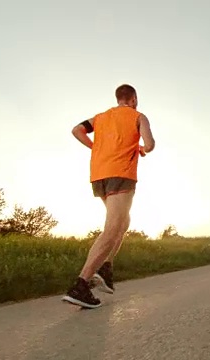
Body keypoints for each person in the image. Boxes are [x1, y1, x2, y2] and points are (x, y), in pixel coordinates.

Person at [62, 84, 155, 309]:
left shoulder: (100, 118)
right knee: (113, 227)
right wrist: (141, 149)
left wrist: (96, 148)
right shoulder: (138, 116)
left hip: (99, 174)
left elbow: (76, 130)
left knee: (124, 221)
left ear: (118, 99)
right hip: (121, 173)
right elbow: (150, 144)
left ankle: (106, 267)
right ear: (133, 99)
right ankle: (81, 284)